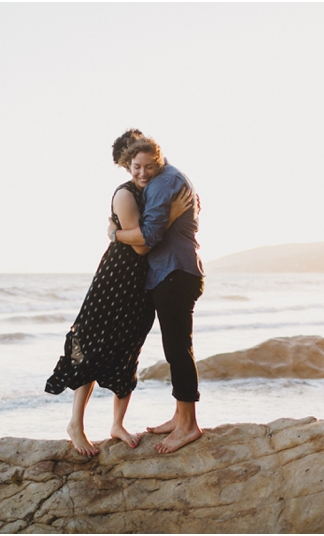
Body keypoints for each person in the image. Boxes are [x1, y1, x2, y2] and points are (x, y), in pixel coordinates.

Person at [44, 130, 191, 457]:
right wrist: (172, 217)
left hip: (142, 283)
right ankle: (75, 426)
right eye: (134, 163)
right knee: (93, 348)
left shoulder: (154, 188)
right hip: (117, 280)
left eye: (147, 163)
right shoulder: (125, 195)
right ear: (127, 163)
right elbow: (141, 247)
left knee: (128, 350)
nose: (141, 169)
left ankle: (116, 424)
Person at [109, 136, 205, 454]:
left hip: (174, 272)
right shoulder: (171, 177)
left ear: (159, 160)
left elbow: (148, 238)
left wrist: (115, 233)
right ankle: (181, 417)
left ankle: (188, 426)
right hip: (175, 270)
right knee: (174, 347)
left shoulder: (165, 183)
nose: (145, 172)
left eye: (151, 166)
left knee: (178, 349)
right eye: (139, 167)